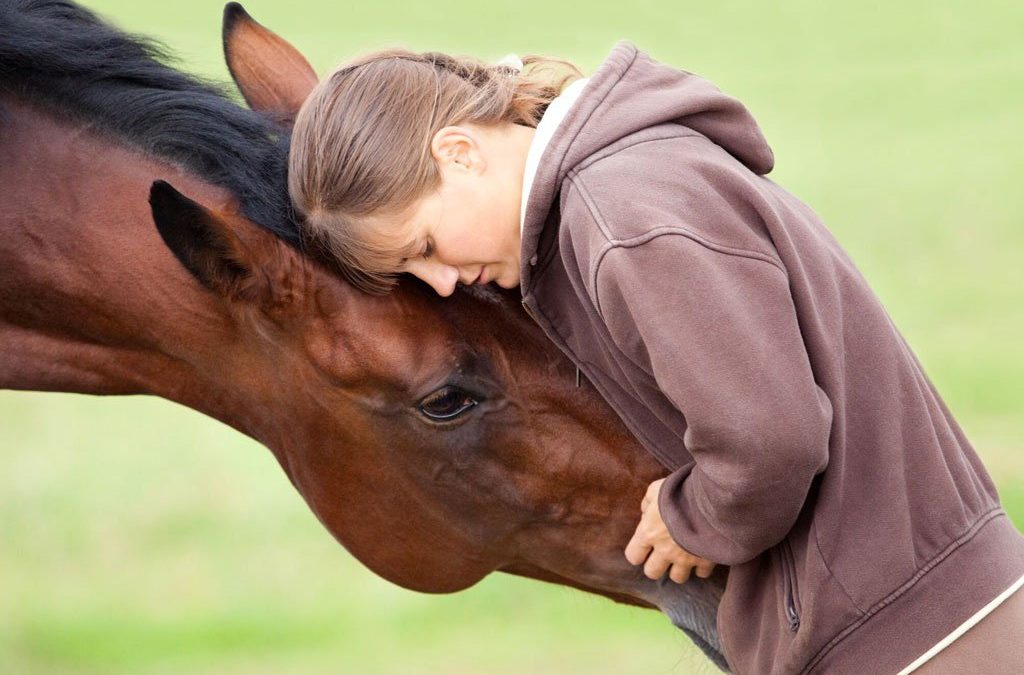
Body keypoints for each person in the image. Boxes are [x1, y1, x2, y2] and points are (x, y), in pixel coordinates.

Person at [286, 41, 1024, 673]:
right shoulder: (629, 183)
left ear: (459, 151)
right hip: (932, 616)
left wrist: (688, 519)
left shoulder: (619, 220)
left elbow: (771, 440)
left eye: (425, 246)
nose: (442, 281)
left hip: (912, 639)